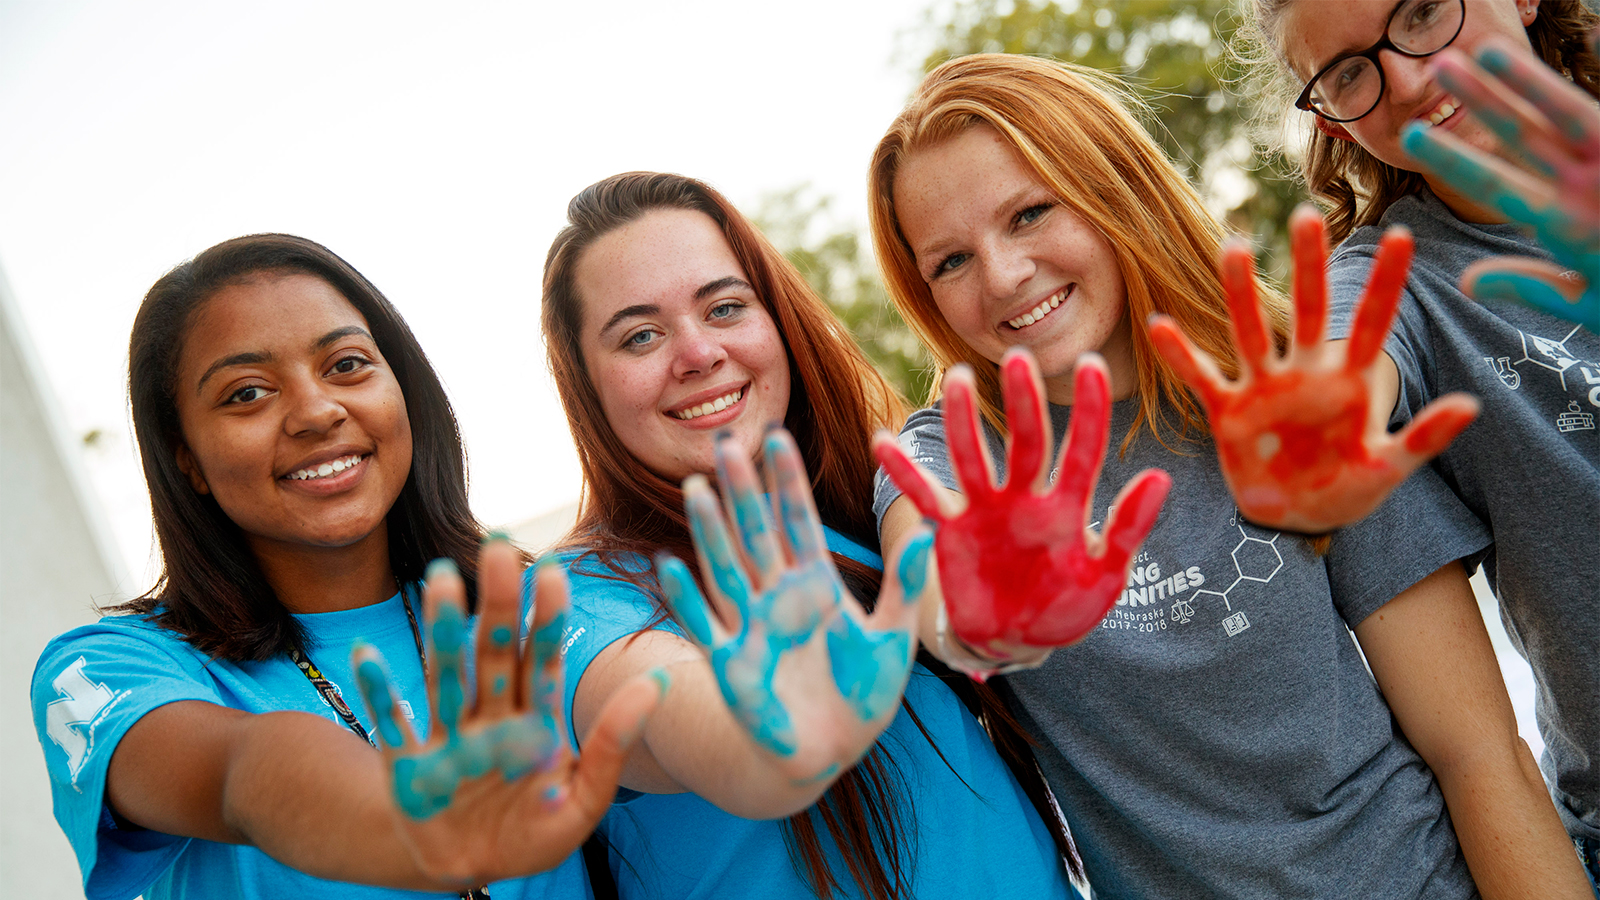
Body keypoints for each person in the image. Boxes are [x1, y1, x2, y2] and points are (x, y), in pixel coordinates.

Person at [867, 53, 1589, 898]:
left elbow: (1479, 755)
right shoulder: (948, 455)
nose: (1001, 276)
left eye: (1030, 214)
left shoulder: (1289, 403)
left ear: (1114, 191)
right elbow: (933, 568)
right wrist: (980, 609)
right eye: (948, 262)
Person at [30, 234, 660, 900]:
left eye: (347, 365)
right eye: (246, 393)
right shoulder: (107, 669)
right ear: (185, 456)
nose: (316, 412)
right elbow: (246, 773)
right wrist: (408, 829)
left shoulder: (531, 608)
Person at [539, 171, 1079, 899]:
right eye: (640, 335)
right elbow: (661, 710)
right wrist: (768, 740)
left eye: (725, 307)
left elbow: (963, 611)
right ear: (588, 386)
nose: (698, 353)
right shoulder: (575, 598)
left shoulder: (867, 503)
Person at [1237, 0, 1600, 885]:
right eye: (1350, 72)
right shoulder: (1395, 280)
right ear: (1327, 115)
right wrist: (1318, 430)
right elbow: (1347, 365)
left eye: (1424, 11)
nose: (1406, 77)